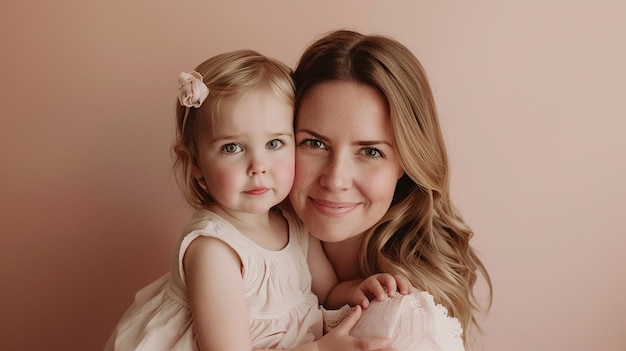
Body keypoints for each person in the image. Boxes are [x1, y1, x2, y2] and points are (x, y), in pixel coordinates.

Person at [104, 49, 407, 351]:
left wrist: (357, 291)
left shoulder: (293, 223)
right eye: (233, 148)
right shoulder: (214, 250)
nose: (258, 166)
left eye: (274, 143)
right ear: (195, 163)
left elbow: (327, 292)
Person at [288, 29, 493, 350]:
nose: (335, 179)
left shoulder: (405, 320)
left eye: (370, 151)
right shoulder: (240, 260)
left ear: (405, 163)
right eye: (314, 143)